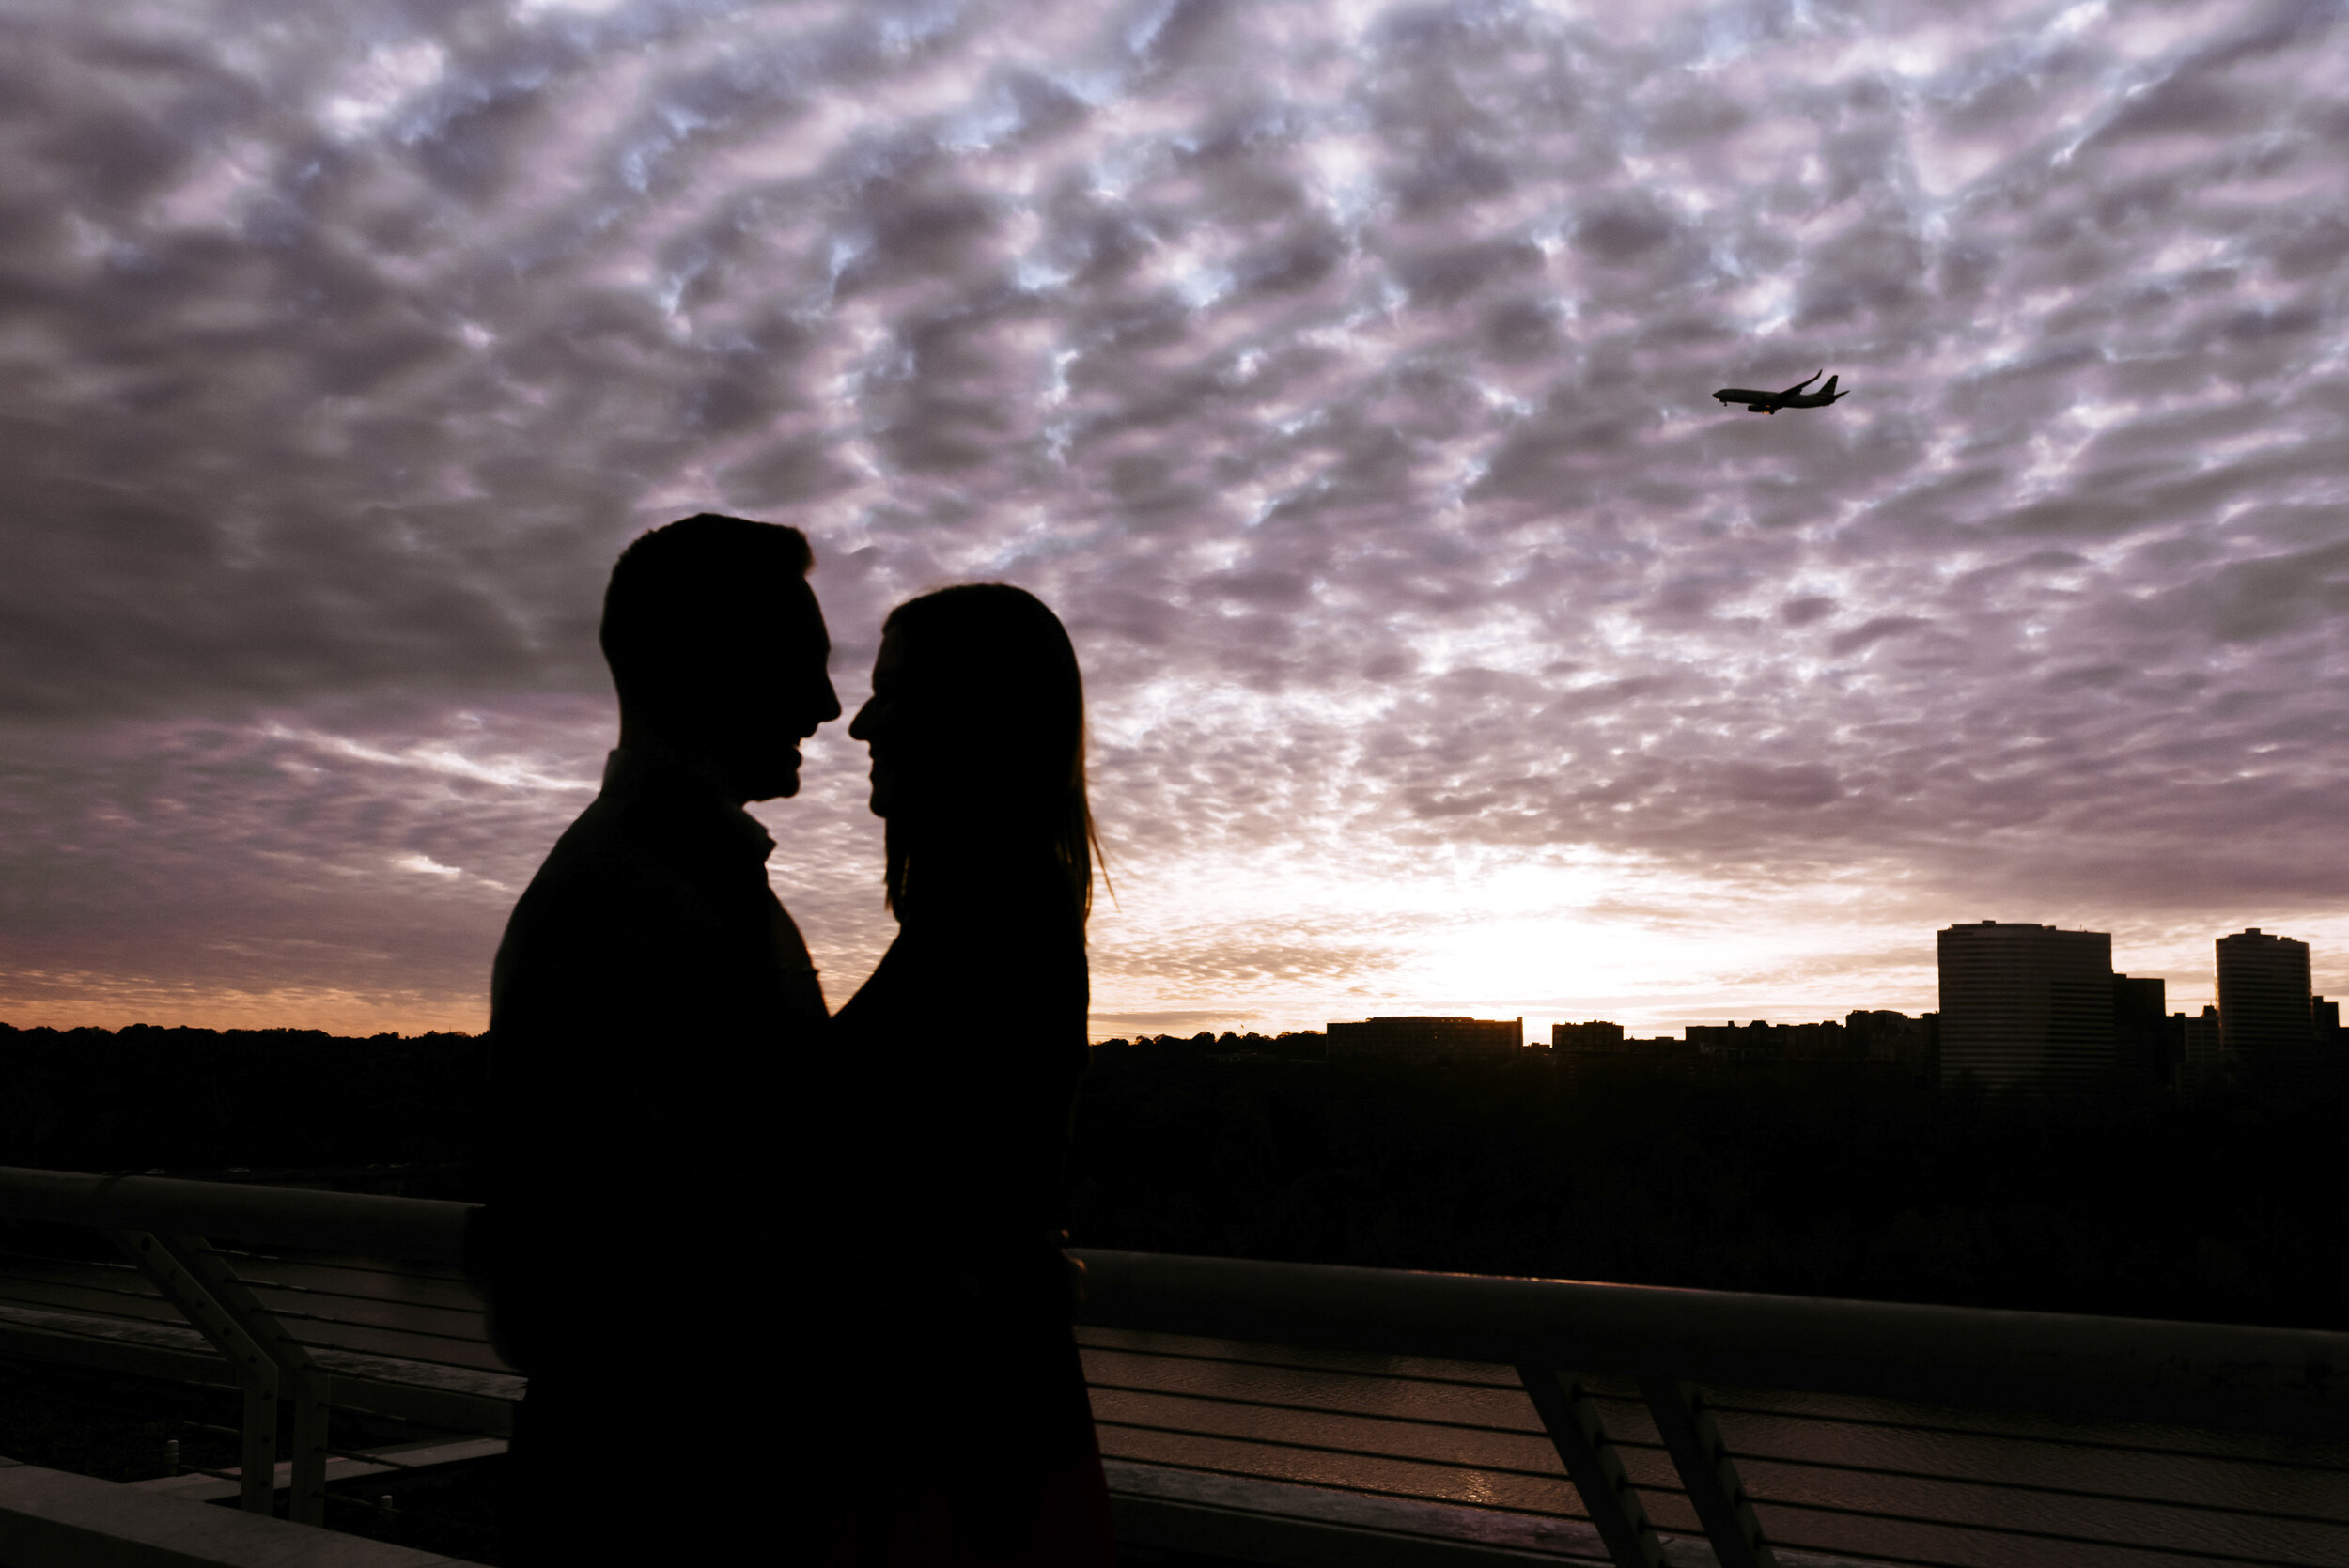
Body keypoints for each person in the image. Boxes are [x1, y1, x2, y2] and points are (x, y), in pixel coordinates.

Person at [474, 513, 840, 1564]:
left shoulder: (647, 876)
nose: (823, 705)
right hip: (669, 1490)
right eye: (799, 665)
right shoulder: (644, 896)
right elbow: (724, 1234)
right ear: (706, 666)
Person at [826, 583, 1117, 1566]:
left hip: (953, 1440)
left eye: (894, 693)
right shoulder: (995, 916)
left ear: (976, 717)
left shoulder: (987, 931)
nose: (860, 721)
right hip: (982, 1415)